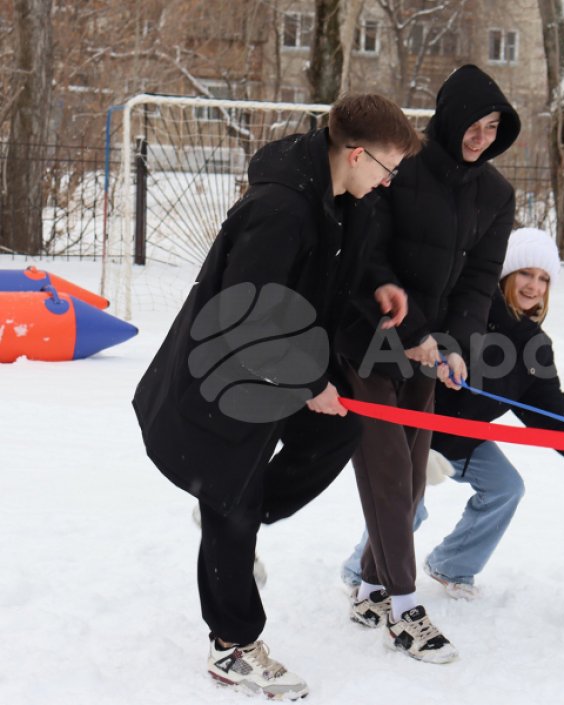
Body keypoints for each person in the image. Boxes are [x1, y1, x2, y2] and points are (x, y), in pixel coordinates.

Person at [132, 94, 423, 700]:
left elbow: (338, 266)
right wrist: (309, 383)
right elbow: (245, 315)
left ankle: (239, 519)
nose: (389, 182)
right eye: (387, 169)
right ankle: (232, 647)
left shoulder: (347, 200)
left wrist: (379, 288)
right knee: (230, 503)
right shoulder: (280, 209)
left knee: (334, 432)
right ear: (356, 152)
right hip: (222, 378)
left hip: (277, 362)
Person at [341, 227, 564, 599]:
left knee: (506, 488)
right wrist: (414, 446)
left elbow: (552, 413)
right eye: (525, 273)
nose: (534, 286)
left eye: (543, 278)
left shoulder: (534, 345)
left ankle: (452, 565)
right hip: (418, 435)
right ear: (505, 274)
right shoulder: (464, 314)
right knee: (409, 505)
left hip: (466, 441)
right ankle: (361, 573)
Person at [334, 65, 521, 664]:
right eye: (476, 122)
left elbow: (478, 282)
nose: (482, 136)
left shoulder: (495, 194)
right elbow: (367, 255)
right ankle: (405, 607)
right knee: (387, 469)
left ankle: (368, 589)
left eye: (494, 128)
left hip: (430, 351)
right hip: (369, 335)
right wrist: (411, 332)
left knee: (413, 478)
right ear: (451, 115)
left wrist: (455, 344)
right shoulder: (401, 165)